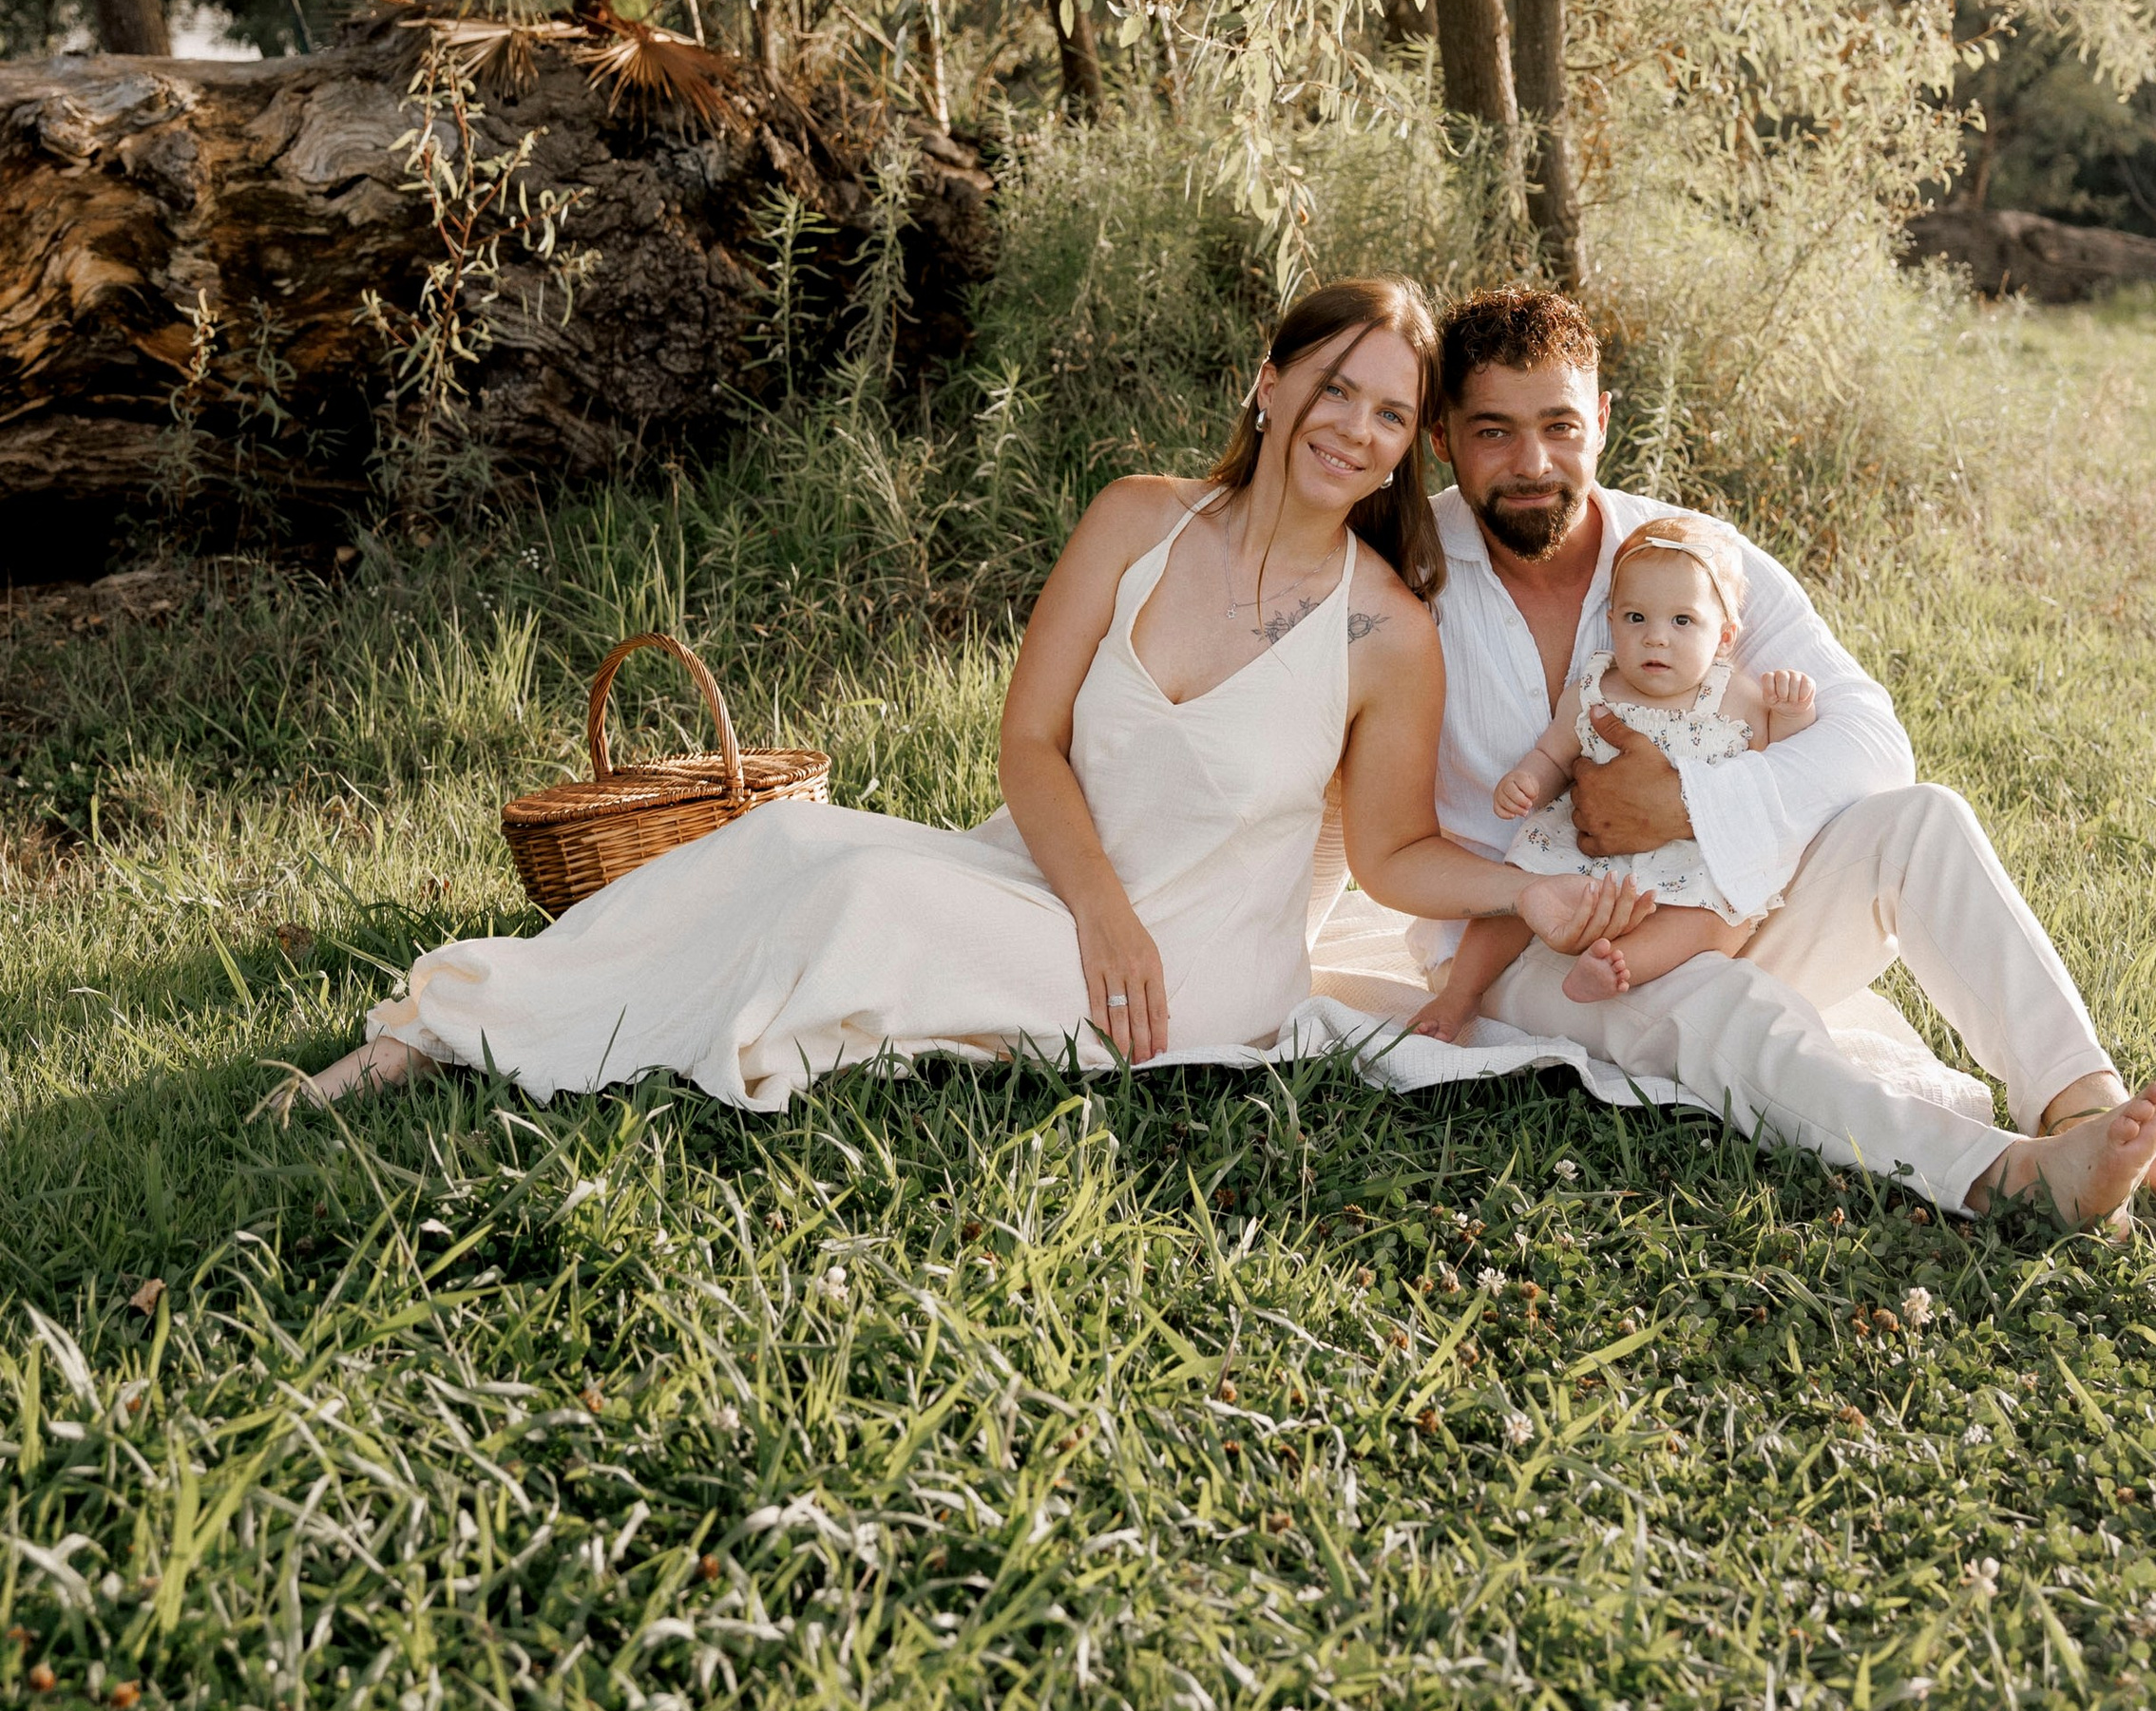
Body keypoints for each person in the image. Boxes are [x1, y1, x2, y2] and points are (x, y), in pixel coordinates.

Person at [292, 280, 1631, 1113]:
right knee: (789, 839)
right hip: (1057, 889)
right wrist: (1096, 907)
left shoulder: (1386, 629)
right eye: (1335, 388)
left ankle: (495, 1038)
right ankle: (462, 1012)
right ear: (1269, 383)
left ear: (1408, 447)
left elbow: (1392, 854)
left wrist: (1526, 891)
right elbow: (1029, 739)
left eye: (1391, 413)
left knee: (864, 899)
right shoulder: (1141, 519)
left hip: (1196, 967)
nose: (1356, 428)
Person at [1399, 285, 2156, 1226]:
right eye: (1494, 431)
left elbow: (1871, 740)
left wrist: (1691, 805)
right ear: (1442, 435)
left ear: (1602, 420)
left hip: (1718, 901)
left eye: (1560, 426)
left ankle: (2086, 1110)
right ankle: (2009, 1175)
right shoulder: (1408, 577)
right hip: (1535, 949)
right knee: (1716, 1000)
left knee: (1923, 819)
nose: (1533, 463)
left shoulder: (1692, 560)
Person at [1460, 505, 1816, 1008]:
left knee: (1716, 920)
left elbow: (1778, 766)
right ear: (1612, 622)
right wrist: (1527, 781)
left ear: (1724, 637)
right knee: (1519, 891)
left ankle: (1616, 964)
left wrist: (1793, 712)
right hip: (1583, 851)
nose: (1656, 636)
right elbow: (1554, 755)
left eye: (1682, 620)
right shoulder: (1595, 689)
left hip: (1684, 860)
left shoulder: (1736, 697)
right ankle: (1458, 992)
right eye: (1636, 618)